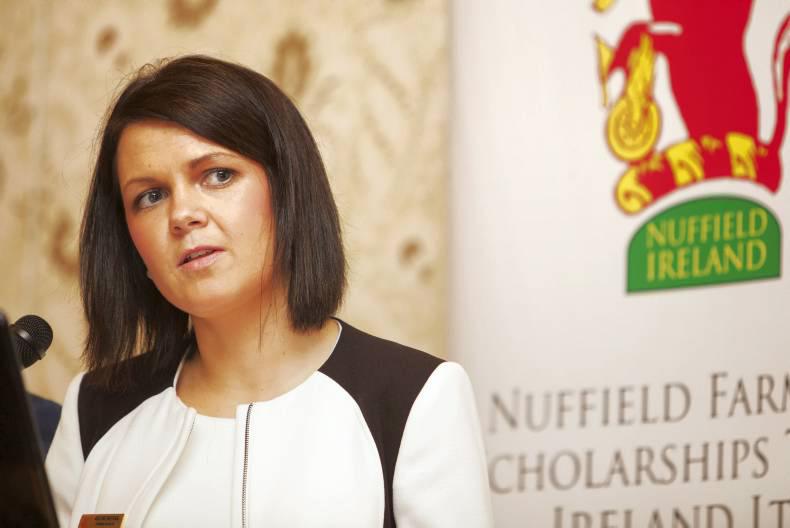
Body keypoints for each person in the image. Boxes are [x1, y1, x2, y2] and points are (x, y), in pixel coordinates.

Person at [45, 55, 493, 528]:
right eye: (150, 196)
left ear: (287, 192)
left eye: (217, 175)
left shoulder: (414, 398)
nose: (183, 215)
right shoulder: (92, 409)